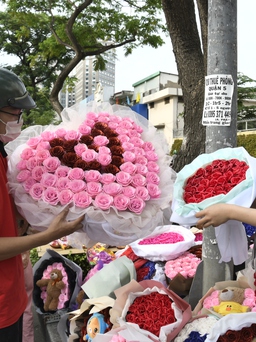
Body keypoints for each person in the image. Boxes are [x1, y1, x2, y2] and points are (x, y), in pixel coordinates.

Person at [0, 67, 85, 342]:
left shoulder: (2, 157)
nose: (19, 119)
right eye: (15, 112)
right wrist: (49, 236)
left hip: (10, 298)